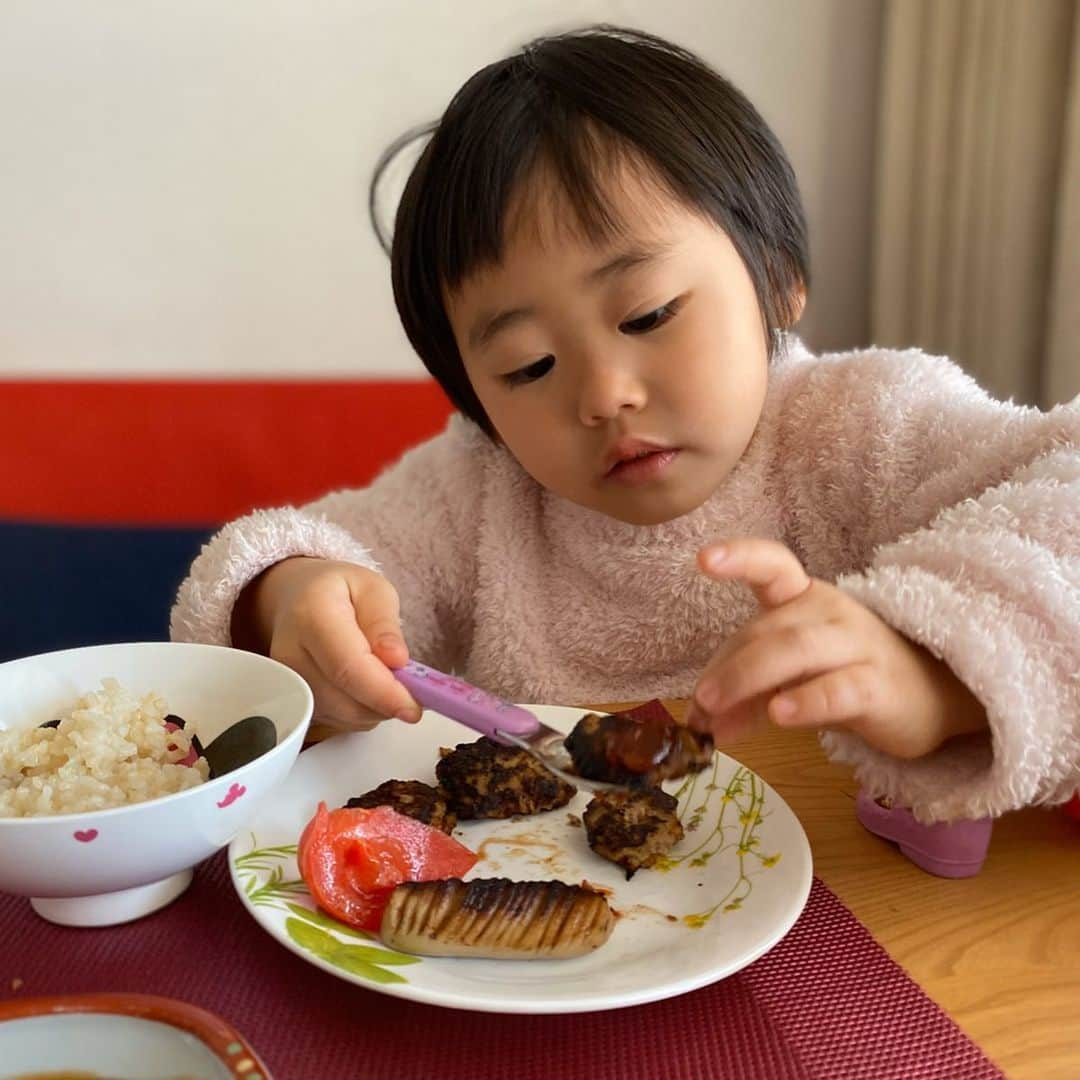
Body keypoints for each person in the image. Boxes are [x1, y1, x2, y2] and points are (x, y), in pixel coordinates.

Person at [171, 27, 1078, 846]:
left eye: (646, 314)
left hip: (880, 934)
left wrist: (934, 670)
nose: (603, 396)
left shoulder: (865, 423)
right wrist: (287, 604)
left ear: (778, 275)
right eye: (528, 368)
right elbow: (315, 562)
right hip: (556, 940)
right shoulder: (474, 495)